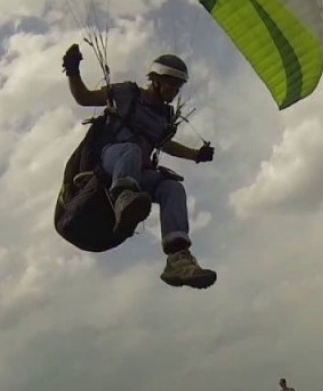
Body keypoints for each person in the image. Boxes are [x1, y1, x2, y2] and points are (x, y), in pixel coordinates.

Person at [62, 43, 217, 289]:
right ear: (155, 80)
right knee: (131, 150)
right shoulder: (126, 93)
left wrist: (197, 155)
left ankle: (177, 258)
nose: (174, 91)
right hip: (109, 163)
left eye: (178, 87)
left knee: (171, 187)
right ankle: (123, 197)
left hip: (137, 176)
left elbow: (166, 145)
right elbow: (84, 98)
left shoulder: (164, 117)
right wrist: (73, 71)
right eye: (170, 84)